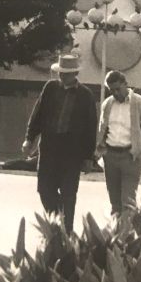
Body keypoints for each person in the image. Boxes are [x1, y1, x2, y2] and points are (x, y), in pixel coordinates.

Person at [22, 52, 97, 233]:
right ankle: (56, 222)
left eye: (66, 73)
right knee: (44, 189)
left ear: (75, 74)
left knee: (69, 194)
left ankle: (66, 232)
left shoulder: (85, 95)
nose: (62, 76)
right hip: (49, 148)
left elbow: (90, 128)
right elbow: (37, 115)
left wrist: (88, 157)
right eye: (61, 73)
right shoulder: (50, 88)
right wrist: (29, 138)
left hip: (72, 153)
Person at [96, 70, 141, 217]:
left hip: (130, 157)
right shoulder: (107, 104)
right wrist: (101, 149)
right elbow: (102, 128)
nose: (115, 93)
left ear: (125, 84)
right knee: (114, 203)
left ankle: (127, 235)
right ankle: (116, 236)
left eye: (118, 89)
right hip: (110, 156)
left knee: (128, 203)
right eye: (112, 90)